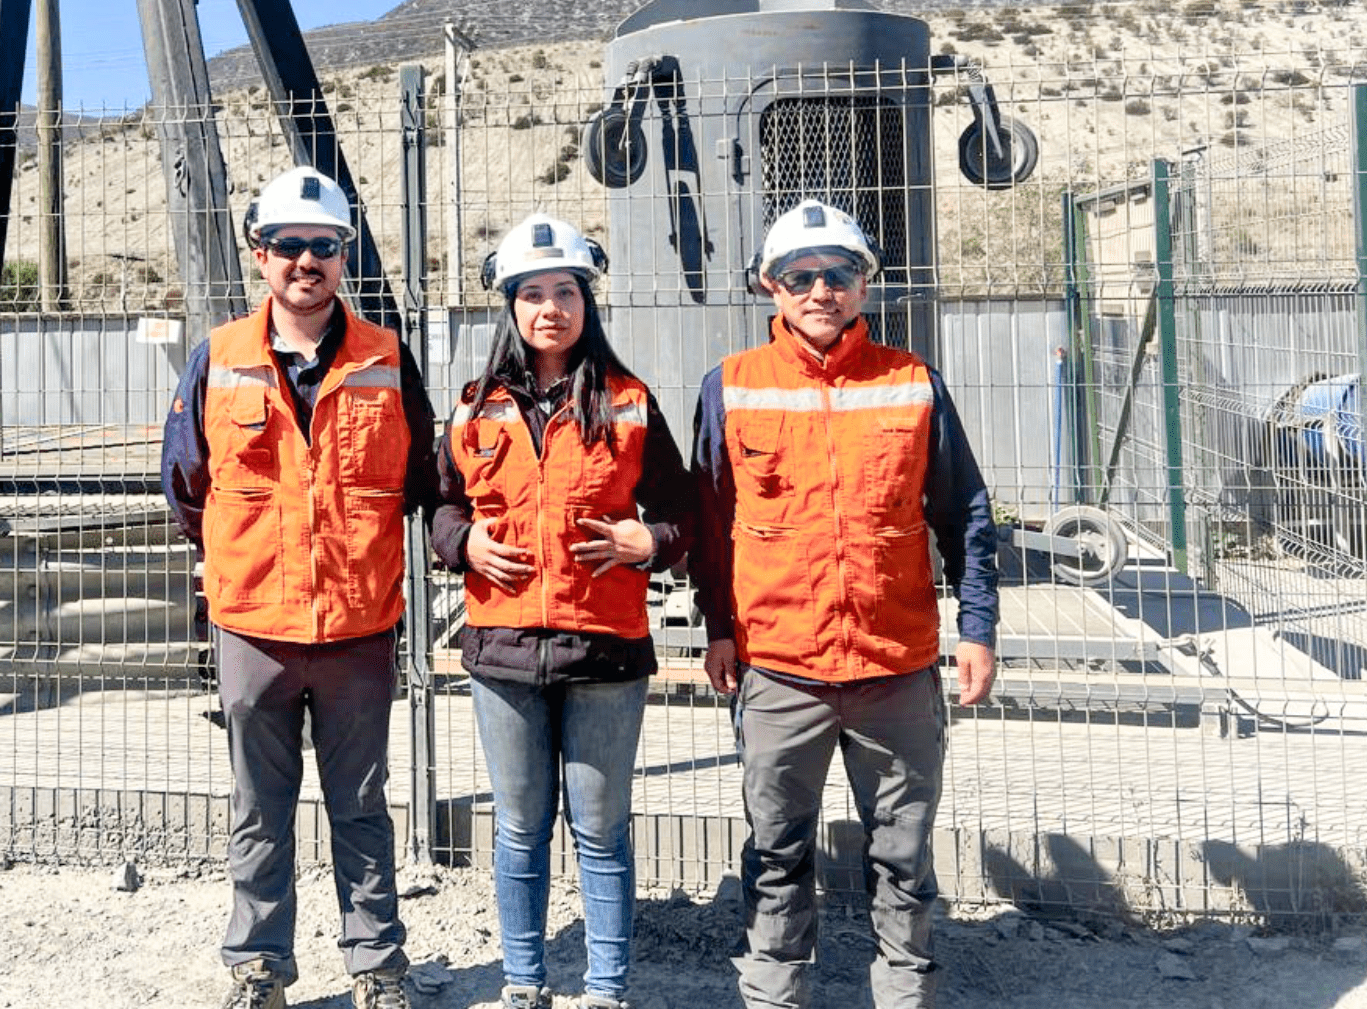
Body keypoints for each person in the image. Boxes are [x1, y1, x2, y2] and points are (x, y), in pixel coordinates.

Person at [688, 199, 1000, 1009]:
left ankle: (904, 994)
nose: (820, 290)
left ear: (865, 285)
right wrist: (718, 629)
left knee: (902, 854)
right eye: (800, 277)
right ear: (771, 287)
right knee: (777, 851)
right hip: (779, 666)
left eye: (838, 274)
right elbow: (709, 524)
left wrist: (977, 628)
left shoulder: (912, 384)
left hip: (894, 666)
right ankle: (775, 993)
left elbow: (963, 511)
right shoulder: (731, 387)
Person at [162, 165, 436, 1009]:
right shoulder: (219, 359)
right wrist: (246, 556)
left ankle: (377, 969)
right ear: (260, 254)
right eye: (288, 244)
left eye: (323, 245)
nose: (305, 260)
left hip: (357, 628)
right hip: (254, 628)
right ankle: (257, 968)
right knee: (260, 808)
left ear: (344, 255)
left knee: (361, 808)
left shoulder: (386, 358)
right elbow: (184, 482)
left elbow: (422, 478)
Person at [430, 214, 695, 1009]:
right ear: (510, 305)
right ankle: (524, 984)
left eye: (566, 292)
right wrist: (465, 543)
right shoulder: (473, 408)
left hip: (604, 651)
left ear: (588, 301)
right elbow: (440, 507)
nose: (551, 308)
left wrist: (648, 539)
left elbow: (682, 511)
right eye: (534, 294)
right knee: (519, 829)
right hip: (503, 649)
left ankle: (606, 989)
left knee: (601, 831)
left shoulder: (629, 402)